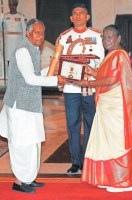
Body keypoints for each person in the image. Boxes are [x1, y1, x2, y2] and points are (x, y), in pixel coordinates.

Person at [0, 18, 66, 193]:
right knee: (22, 144)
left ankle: (29, 178)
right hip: (20, 106)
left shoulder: (33, 49)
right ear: (27, 33)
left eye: (42, 32)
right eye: (36, 32)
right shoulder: (23, 51)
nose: (40, 36)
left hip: (30, 104)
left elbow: (33, 74)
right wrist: (55, 79)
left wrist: (51, 70)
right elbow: (31, 79)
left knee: (33, 142)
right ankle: (19, 182)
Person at [75, 25, 132, 192]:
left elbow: (111, 80)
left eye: (110, 37)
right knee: (107, 143)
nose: (106, 40)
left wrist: (87, 83)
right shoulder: (111, 55)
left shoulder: (119, 54)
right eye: (104, 37)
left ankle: (124, 181)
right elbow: (104, 75)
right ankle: (109, 178)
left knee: (116, 143)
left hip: (115, 107)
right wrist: (91, 71)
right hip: (107, 106)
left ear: (118, 38)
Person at [56, 3, 105, 174]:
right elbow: (58, 62)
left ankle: (89, 160)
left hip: (91, 87)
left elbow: (103, 64)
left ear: (88, 17)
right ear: (71, 18)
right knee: (73, 125)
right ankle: (76, 162)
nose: (78, 16)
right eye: (75, 13)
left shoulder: (99, 36)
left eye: (81, 13)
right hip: (71, 89)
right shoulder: (64, 37)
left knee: (91, 123)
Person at [0, 0, 26, 67]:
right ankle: (10, 75)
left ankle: (17, 75)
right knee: (9, 58)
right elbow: (0, 29)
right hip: (8, 42)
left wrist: (24, 42)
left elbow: (24, 30)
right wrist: (0, 20)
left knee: (18, 58)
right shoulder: (5, 16)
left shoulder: (21, 16)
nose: (11, 7)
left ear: (16, 6)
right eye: (10, 5)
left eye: (13, 5)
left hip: (18, 41)